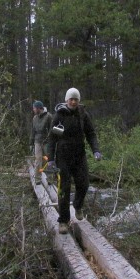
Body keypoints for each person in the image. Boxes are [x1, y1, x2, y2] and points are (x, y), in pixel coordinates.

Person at [47, 88, 101, 234]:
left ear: (78, 101)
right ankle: (63, 221)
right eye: (71, 99)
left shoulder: (83, 115)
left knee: (84, 184)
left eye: (76, 99)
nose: (73, 101)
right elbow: (52, 139)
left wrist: (96, 149)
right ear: (66, 100)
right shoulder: (59, 116)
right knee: (64, 189)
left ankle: (77, 205)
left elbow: (91, 134)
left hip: (79, 155)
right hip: (63, 157)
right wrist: (51, 159)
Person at [30, 100, 53, 184]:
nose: (33, 110)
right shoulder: (34, 118)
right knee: (38, 160)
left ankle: (50, 179)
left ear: (39, 108)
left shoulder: (48, 116)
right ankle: (37, 179)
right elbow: (33, 131)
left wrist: (51, 141)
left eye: (34, 108)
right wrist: (31, 142)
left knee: (48, 160)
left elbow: (52, 129)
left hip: (47, 141)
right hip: (37, 141)